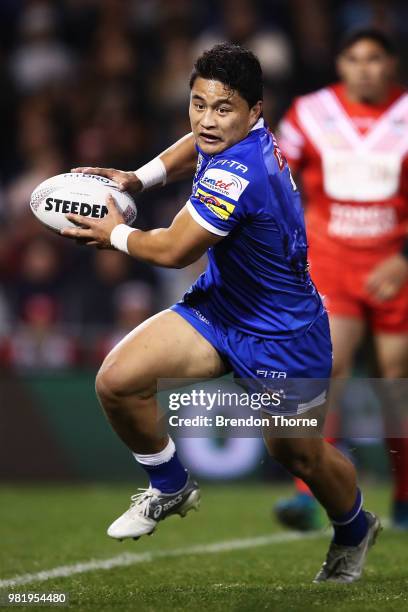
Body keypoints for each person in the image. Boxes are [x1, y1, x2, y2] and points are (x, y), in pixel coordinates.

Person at [63, 43, 380, 583]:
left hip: (285, 336)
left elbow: (171, 251)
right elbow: (196, 144)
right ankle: (170, 485)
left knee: (299, 457)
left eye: (223, 108)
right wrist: (139, 178)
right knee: (117, 381)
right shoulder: (233, 135)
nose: (207, 120)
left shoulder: (240, 173)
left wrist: (111, 230)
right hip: (220, 308)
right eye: (198, 103)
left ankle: (354, 527)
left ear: (255, 112)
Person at [274, 28, 408, 530]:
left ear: (391, 64)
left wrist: (404, 258)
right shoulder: (311, 113)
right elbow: (275, 173)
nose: (364, 68)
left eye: (374, 58)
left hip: (393, 262)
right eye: (353, 58)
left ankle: (404, 494)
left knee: (395, 383)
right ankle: (308, 493)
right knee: (327, 369)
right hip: (331, 260)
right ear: (340, 64)